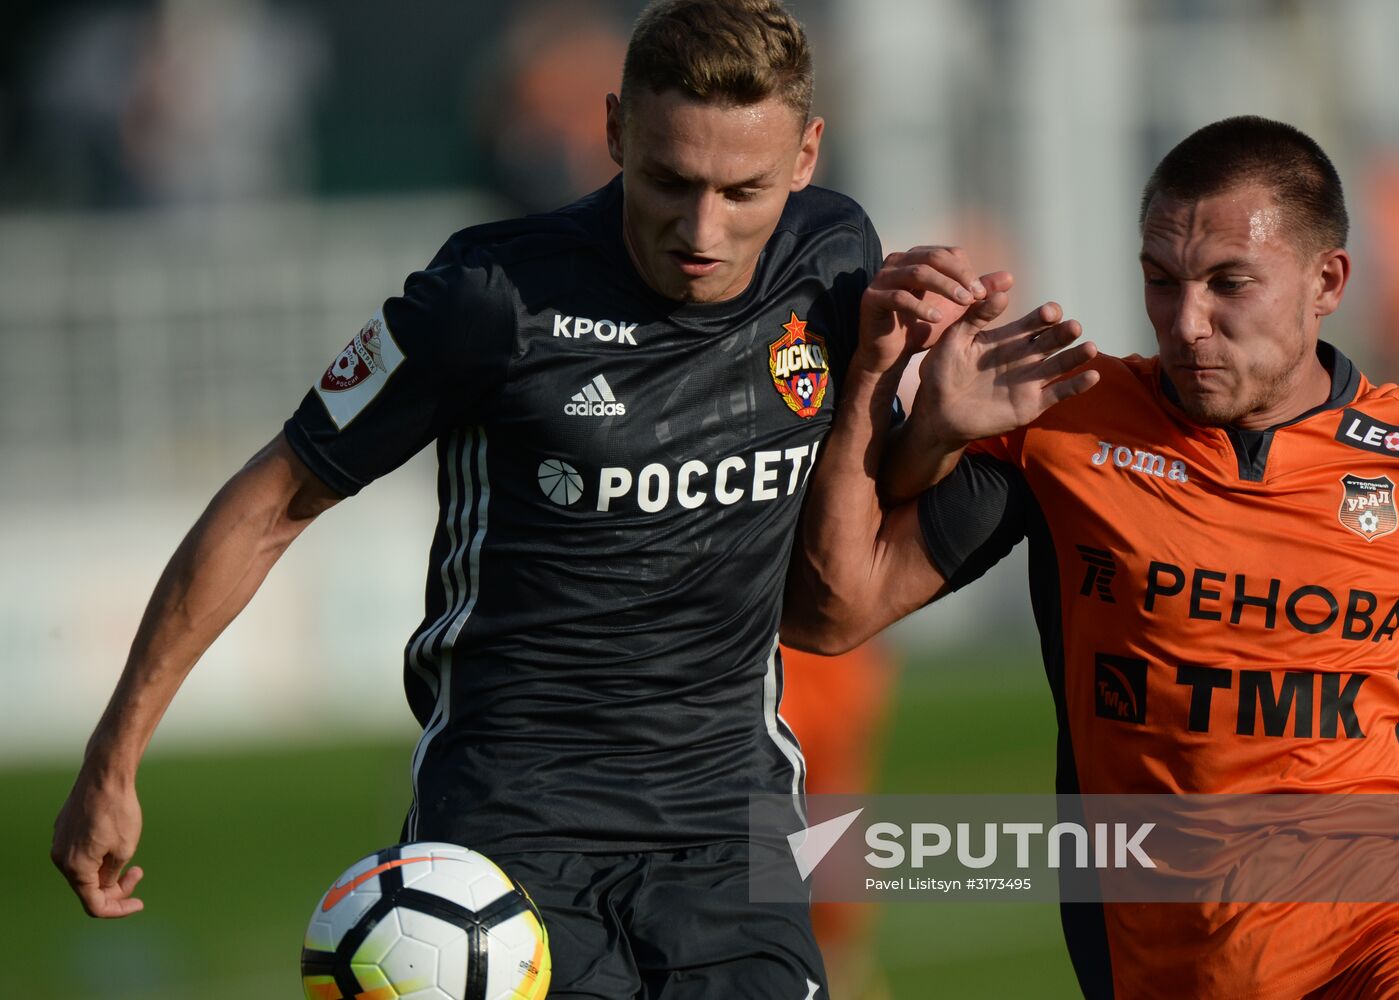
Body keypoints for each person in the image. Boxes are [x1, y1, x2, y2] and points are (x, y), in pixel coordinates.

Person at [49, 1, 1004, 995]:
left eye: (743, 190)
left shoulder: (835, 259)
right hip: (511, 834)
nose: (702, 228)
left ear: (806, 155)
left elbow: (836, 541)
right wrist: (115, 756)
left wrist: (930, 428)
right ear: (613, 132)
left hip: (730, 823)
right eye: (669, 180)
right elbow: (274, 500)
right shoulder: (487, 298)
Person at [785, 115, 1399, 999]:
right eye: (1160, 281)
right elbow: (829, 612)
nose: (1185, 323)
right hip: (1162, 965)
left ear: (1325, 280)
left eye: (1229, 284)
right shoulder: (1066, 421)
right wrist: (884, 383)